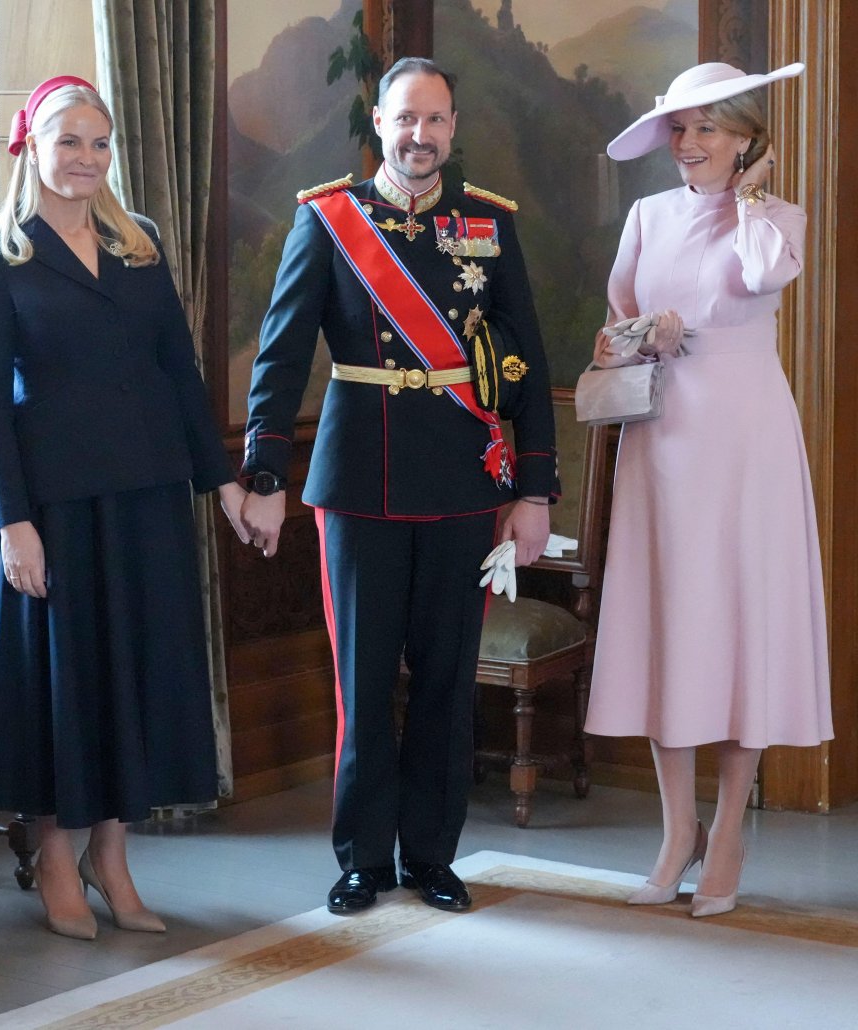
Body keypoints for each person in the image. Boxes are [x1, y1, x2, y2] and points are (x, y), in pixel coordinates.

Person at [241, 57, 558, 915]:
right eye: (405, 119)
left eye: (437, 120)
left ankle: (431, 855)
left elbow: (526, 362)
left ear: (454, 127)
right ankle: (362, 859)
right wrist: (265, 473)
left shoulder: (489, 224)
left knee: (449, 682)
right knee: (364, 681)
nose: (421, 136)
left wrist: (535, 490)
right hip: (359, 484)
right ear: (377, 122)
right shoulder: (330, 219)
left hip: (462, 480)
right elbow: (279, 358)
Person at [0, 76, 249, 940]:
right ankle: (55, 854)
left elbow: (181, 376)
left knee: (136, 674)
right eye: (69, 141)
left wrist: (221, 480)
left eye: (100, 142)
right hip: (56, 505)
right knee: (69, 681)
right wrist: (13, 523)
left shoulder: (141, 244)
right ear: (33, 147)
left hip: (148, 495)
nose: (86, 158)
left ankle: (111, 855)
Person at [584, 62, 833, 917]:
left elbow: (764, 277)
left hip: (746, 440)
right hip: (663, 437)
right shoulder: (648, 215)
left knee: (740, 624)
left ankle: (726, 832)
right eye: (678, 130)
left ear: (742, 137)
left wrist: (752, 195)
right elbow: (609, 339)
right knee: (672, 622)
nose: (686, 144)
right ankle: (674, 834)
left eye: (705, 129)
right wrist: (641, 333)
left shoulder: (777, 220)